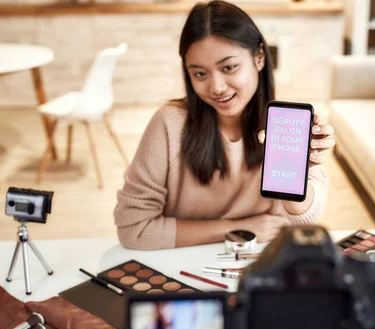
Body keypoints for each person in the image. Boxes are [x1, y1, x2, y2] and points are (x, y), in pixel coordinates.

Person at [114, 0, 335, 250]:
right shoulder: (169, 123)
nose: (216, 87)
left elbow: (305, 218)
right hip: (177, 265)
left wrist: (297, 174)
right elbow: (133, 229)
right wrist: (239, 229)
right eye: (200, 74)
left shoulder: (286, 124)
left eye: (229, 67)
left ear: (260, 57)